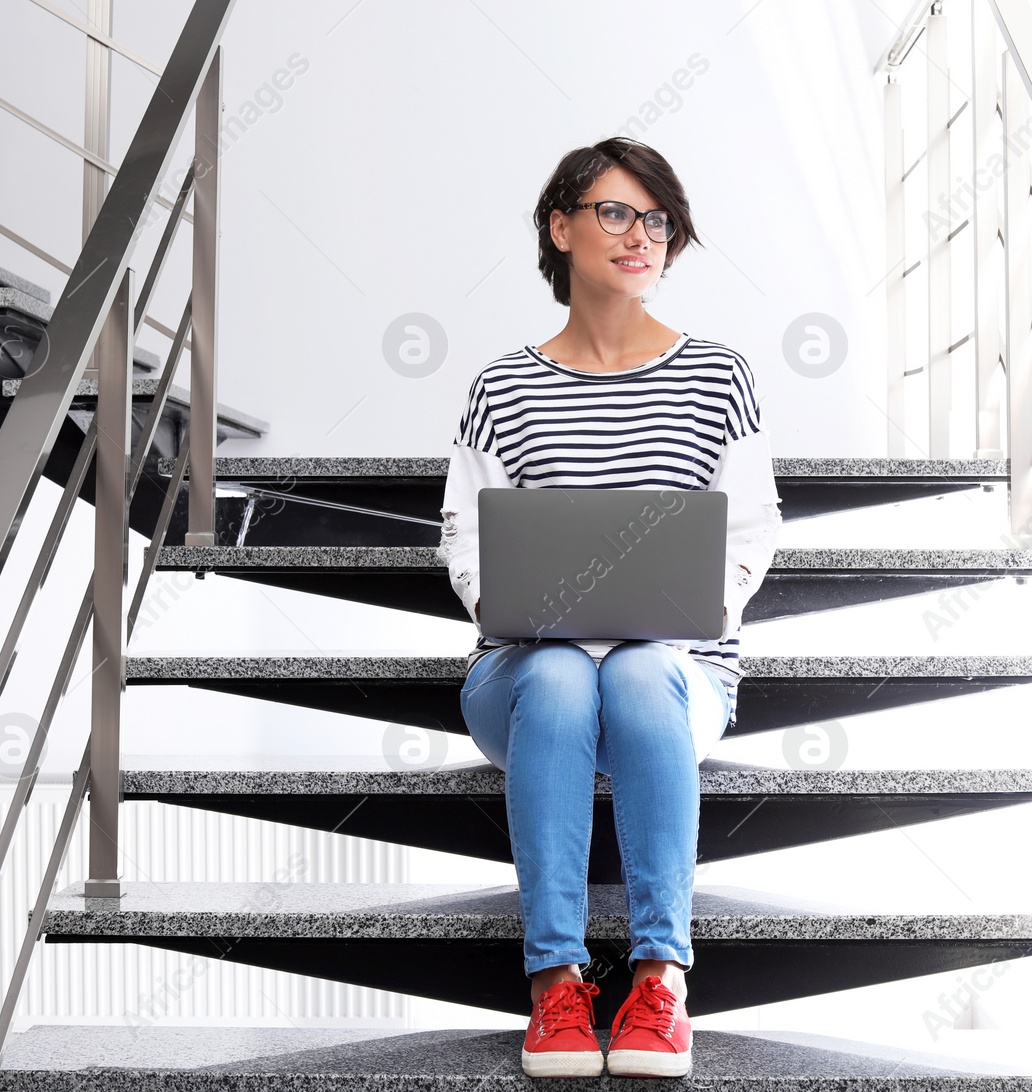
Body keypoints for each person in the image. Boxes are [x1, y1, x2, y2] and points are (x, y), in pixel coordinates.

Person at [437, 136, 781, 1079]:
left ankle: (659, 980)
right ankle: (556, 985)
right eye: (617, 213)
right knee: (555, 673)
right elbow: (464, 537)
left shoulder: (719, 376)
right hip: (521, 673)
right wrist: (509, 605)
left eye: (658, 220)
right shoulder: (500, 387)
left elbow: (749, 531)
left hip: (673, 673)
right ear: (562, 226)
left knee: (636, 670)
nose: (642, 237)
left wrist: (678, 610)